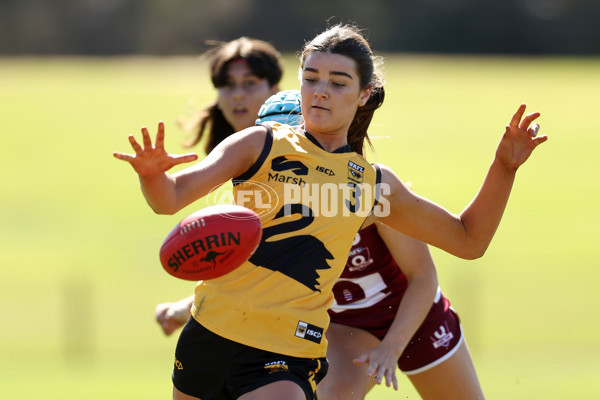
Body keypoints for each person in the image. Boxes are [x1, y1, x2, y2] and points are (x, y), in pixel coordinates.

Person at [114, 23, 546, 400]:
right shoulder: (256, 146)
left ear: (365, 94)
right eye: (310, 78)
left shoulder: (372, 184)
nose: (319, 91)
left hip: (331, 337)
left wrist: (504, 167)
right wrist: (152, 177)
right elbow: (171, 203)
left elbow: (468, 240)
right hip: (237, 332)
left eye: (338, 82)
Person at [157, 91, 484, 399]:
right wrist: (183, 310)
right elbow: (254, 282)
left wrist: (392, 348)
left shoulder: (369, 193)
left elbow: (424, 276)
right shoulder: (263, 208)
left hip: (414, 315)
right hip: (345, 327)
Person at [180, 36, 283, 154]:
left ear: (274, 91)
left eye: (250, 82)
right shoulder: (217, 159)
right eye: (228, 84)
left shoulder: (297, 153)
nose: (237, 95)